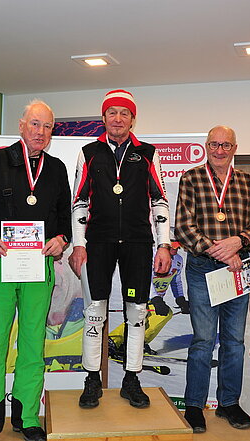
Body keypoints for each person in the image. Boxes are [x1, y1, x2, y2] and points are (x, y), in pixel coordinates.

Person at [0, 100, 71, 441]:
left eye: (47, 126)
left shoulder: (56, 169)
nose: (41, 131)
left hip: (39, 265)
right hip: (0, 262)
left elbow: (65, 218)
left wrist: (61, 239)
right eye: (35, 124)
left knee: (32, 343)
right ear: (22, 125)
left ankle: (27, 418)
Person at [68, 89, 171, 409]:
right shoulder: (88, 152)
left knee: (137, 311)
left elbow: (160, 200)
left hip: (138, 243)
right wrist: (79, 244)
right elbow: (79, 201)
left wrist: (164, 244)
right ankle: (92, 379)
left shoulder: (148, 153)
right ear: (103, 118)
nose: (118, 118)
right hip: (99, 242)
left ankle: (131, 378)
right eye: (112, 112)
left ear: (132, 119)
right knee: (95, 310)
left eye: (124, 113)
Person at [174, 125, 250, 433]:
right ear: (206, 146)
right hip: (203, 269)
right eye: (214, 144)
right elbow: (184, 227)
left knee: (234, 341)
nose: (220, 150)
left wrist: (239, 241)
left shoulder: (246, 182)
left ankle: (228, 403)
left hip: (237, 271)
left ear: (235, 148)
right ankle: (194, 406)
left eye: (226, 145)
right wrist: (222, 252)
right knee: (202, 340)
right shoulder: (191, 178)